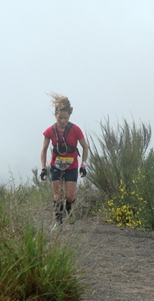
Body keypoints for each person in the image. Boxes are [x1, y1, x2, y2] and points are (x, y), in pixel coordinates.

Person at [40, 92, 89, 229]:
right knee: (57, 194)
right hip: (56, 166)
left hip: (72, 166)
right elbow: (43, 150)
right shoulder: (49, 131)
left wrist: (83, 166)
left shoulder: (75, 130)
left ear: (69, 116)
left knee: (69, 196)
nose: (62, 121)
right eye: (60, 118)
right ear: (56, 115)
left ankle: (69, 207)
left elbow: (85, 147)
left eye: (65, 118)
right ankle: (58, 221)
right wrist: (43, 168)